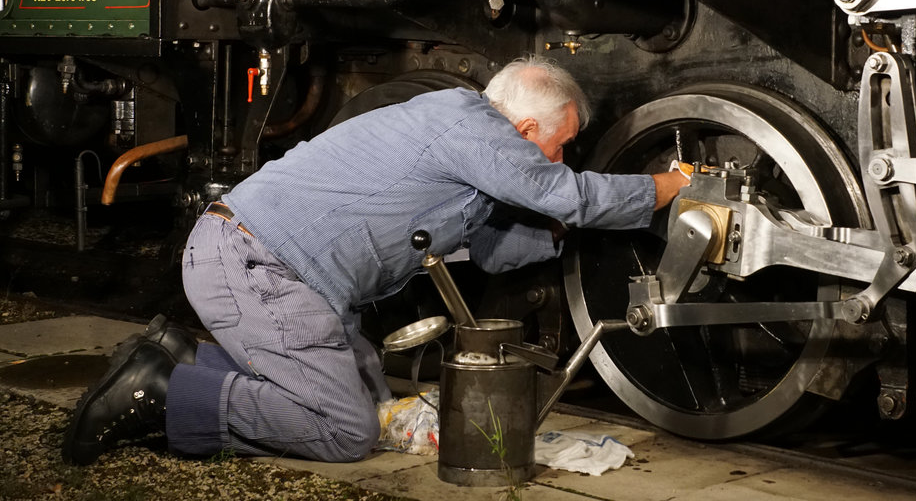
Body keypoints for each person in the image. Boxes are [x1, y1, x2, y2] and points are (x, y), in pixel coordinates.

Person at [63, 56, 689, 465]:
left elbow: (496, 250)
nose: (561, 157)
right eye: (563, 144)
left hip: (271, 270)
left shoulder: (465, 148)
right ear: (525, 130)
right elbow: (568, 194)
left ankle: (183, 353)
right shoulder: (469, 126)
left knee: (370, 393)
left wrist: (557, 234)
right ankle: (164, 392)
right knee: (345, 429)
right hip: (259, 267)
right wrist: (666, 188)